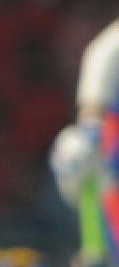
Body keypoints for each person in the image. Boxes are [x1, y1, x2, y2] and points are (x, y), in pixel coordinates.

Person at [50, 17, 119, 267]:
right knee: (78, 149)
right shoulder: (109, 49)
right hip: (113, 178)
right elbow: (88, 133)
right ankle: (95, 249)